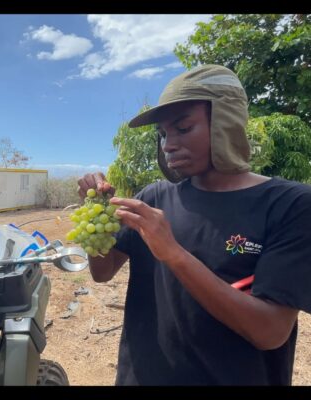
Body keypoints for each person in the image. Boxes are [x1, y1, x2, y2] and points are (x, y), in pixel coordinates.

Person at [78, 64, 311, 385]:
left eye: (183, 128)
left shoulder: (290, 204)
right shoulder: (154, 198)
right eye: (162, 134)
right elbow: (102, 273)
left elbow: (270, 331)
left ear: (226, 124)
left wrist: (174, 254)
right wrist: (97, 214)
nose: (168, 144)